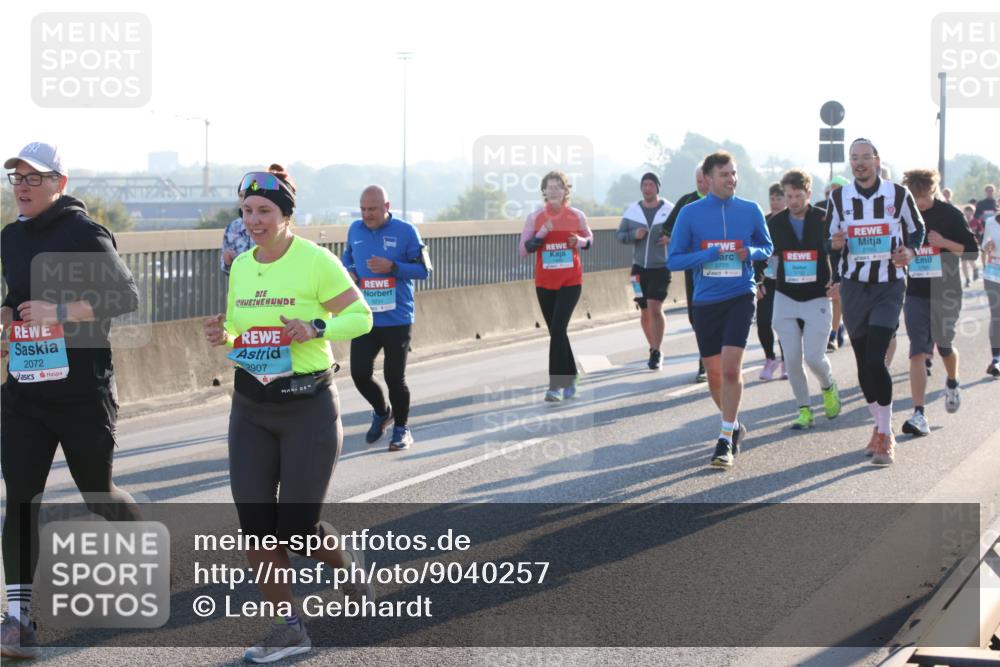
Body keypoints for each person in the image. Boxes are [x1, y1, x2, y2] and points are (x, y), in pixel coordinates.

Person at [203, 165, 375, 663]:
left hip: (308, 408)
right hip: (250, 408)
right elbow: (242, 331)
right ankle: (289, 627)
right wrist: (224, 334)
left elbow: (361, 316)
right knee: (256, 526)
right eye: (247, 211)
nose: (254, 220)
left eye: (264, 211)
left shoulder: (316, 261)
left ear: (285, 215)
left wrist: (316, 326)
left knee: (298, 531)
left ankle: (345, 566)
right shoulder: (241, 265)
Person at [1, 142, 143, 659]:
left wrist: (60, 311)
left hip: (83, 392)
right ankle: (18, 619)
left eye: (34, 178)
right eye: (17, 177)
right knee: (21, 499)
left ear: (59, 183)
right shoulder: (11, 236)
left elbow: (126, 297)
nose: (22, 186)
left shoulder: (85, 232)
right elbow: (17, 297)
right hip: (25, 391)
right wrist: (7, 317)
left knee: (97, 495)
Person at [667, 151, 773, 467]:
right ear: (708, 179)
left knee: (729, 369)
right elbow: (674, 259)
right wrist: (705, 256)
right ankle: (734, 423)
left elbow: (767, 247)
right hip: (705, 301)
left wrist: (750, 252)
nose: (731, 179)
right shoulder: (690, 213)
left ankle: (725, 438)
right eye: (724, 174)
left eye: (733, 173)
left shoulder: (751, 210)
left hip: (740, 295)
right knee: (714, 374)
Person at [829, 138, 925, 465]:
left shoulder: (898, 194)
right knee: (863, 364)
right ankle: (878, 425)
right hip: (854, 287)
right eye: (854, 158)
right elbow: (828, 241)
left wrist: (910, 251)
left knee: (875, 359)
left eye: (865, 157)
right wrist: (834, 244)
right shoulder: (839, 198)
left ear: (877, 160)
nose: (859, 163)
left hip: (889, 284)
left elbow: (917, 229)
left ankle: (885, 434)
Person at [342, 186, 430, 450]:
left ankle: (401, 429)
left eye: (372, 209)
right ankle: (382, 412)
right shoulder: (355, 230)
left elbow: (424, 270)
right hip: (365, 317)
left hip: (397, 318)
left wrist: (393, 267)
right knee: (359, 374)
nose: (367, 214)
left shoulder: (406, 231)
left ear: (386, 207)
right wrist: (350, 272)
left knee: (394, 377)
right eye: (363, 209)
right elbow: (346, 259)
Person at [898, 169, 979, 437]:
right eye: (915, 198)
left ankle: (953, 382)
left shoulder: (950, 215)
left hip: (946, 291)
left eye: (923, 196)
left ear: (933, 191)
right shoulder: (905, 216)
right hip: (916, 292)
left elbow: (972, 252)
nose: (919, 203)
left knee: (944, 346)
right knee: (917, 352)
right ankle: (919, 413)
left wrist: (944, 242)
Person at [768, 169, 841, 429]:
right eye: (788, 196)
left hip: (816, 296)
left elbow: (839, 250)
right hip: (785, 296)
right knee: (791, 359)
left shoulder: (824, 218)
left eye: (798, 196)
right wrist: (760, 281)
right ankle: (804, 410)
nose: (793, 201)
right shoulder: (775, 223)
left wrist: (838, 280)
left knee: (813, 357)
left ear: (808, 194)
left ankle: (828, 385)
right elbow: (765, 256)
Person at [519, 170, 594, 402]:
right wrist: (542, 234)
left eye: (557, 187)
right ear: (543, 191)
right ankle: (571, 375)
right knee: (556, 332)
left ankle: (555, 386)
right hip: (545, 283)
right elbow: (523, 250)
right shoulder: (535, 217)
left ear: (565, 191)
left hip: (571, 281)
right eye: (549, 187)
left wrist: (579, 241)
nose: (553, 191)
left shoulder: (576, 215)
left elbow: (590, 240)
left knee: (559, 329)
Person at [616, 172, 674, 369]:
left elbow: (683, 233)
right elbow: (619, 235)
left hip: (661, 267)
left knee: (655, 307)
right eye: (644, 185)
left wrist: (670, 239)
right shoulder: (632, 211)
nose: (647, 188)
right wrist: (634, 234)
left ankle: (657, 351)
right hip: (638, 270)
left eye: (651, 185)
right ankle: (652, 348)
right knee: (644, 311)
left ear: (657, 188)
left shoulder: (670, 210)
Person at [664, 163, 710, 382]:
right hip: (694, 269)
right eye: (698, 181)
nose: (701, 185)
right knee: (696, 316)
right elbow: (666, 230)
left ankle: (711, 360)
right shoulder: (686, 202)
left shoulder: (725, 203)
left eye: (704, 181)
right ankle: (706, 358)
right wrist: (676, 239)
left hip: (721, 270)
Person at [755, 182, 786, 380]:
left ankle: (786, 361)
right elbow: (756, 254)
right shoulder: (763, 221)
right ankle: (770, 358)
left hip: (787, 281)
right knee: (763, 322)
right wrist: (757, 282)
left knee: (783, 323)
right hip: (767, 280)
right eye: (772, 199)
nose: (774, 202)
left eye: (779, 198)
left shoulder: (790, 221)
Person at [822, 175, 850, 352]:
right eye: (830, 191)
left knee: (837, 297)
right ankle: (832, 329)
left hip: (844, 258)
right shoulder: (820, 208)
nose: (832, 194)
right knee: (828, 296)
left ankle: (833, 333)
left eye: (837, 190)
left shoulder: (853, 208)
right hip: (825, 258)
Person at [982, 210, 1000, 378]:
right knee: (996, 316)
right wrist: (987, 246)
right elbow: (984, 245)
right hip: (994, 272)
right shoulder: (990, 222)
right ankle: (996, 358)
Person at [961, 204, 983, 287]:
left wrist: (977, 236)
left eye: (970, 212)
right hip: (963, 244)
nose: (968, 214)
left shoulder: (976, 221)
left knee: (971, 260)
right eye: (966, 212)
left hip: (973, 244)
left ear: (973, 213)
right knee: (963, 263)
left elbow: (981, 231)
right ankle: (967, 280)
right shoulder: (961, 221)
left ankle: (975, 269)